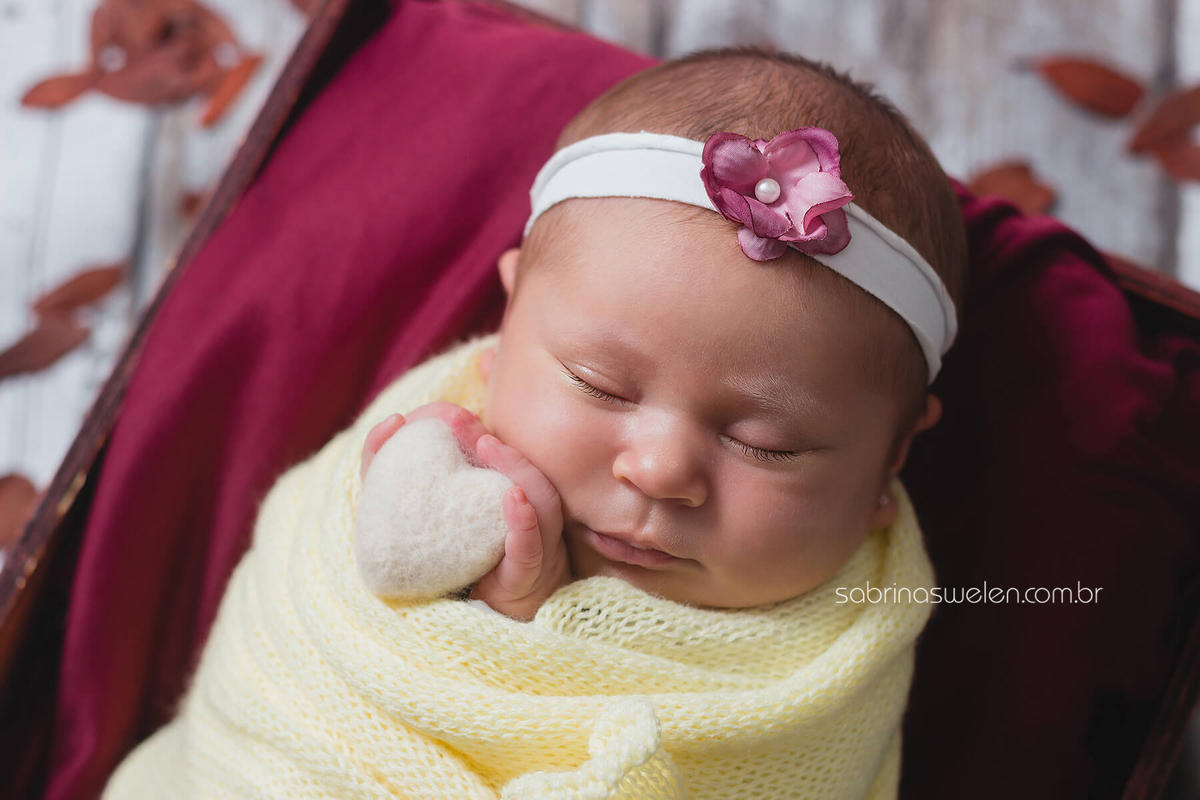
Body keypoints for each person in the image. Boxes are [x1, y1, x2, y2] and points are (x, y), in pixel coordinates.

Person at [104, 47, 966, 799]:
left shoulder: (834, 663)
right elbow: (302, 652)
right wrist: (476, 600)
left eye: (765, 444)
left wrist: (541, 617)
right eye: (600, 385)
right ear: (509, 319)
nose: (660, 470)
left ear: (889, 460)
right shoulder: (428, 450)